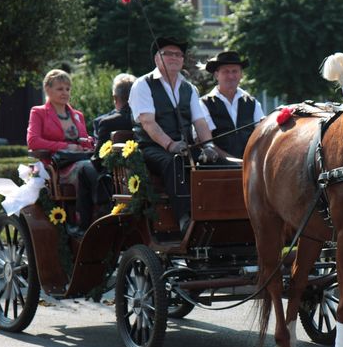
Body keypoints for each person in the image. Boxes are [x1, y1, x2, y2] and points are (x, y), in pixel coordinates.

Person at [128, 36, 218, 233]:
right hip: (151, 148)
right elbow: (148, 123)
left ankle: (218, 215)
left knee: (215, 162)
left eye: (178, 55)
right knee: (173, 162)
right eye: (168, 53)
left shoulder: (189, 88)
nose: (174, 57)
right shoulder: (143, 85)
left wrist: (208, 147)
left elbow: (200, 122)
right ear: (156, 59)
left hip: (185, 146)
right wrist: (170, 145)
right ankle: (185, 219)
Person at [71, 73, 135, 236]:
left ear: (115, 97)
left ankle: (84, 225)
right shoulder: (145, 118)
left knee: (83, 169)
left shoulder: (108, 122)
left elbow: (98, 161)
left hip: (115, 180)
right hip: (140, 177)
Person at [26, 69, 94, 185]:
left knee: (103, 168)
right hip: (57, 167)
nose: (65, 93)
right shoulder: (38, 112)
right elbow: (33, 141)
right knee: (88, 169)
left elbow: (84, 142)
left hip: (81, 161)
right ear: (47, 90)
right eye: (60, 89)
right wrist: (66, 146)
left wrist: (91, 143)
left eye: (67, 89)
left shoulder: (78, 115)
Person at [199, 51, 264, 160]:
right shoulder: (203, 104)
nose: (231, 76)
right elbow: (206, 142)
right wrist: (234, 162)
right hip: (217, 167)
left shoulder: (253, 103)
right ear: (216, 75)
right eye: (225, 71)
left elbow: (262, 136)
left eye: (235, 71)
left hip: (250, 165)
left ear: (241, 74)